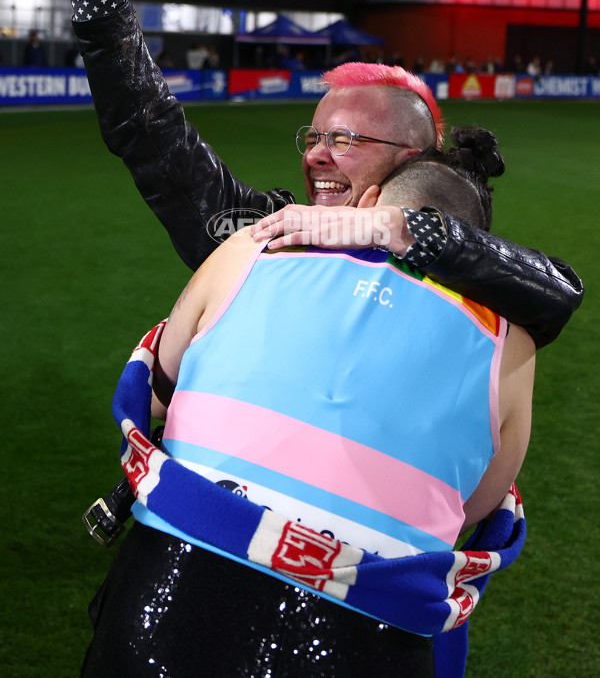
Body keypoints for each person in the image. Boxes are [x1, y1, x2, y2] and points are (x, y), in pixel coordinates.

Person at [45, 0, 582, 350]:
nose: (315, 154)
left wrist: (390, 228)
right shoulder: (269, 237)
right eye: (315, 136)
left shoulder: (458, 270)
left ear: (411, 160)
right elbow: (149, 130)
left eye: (345, 139)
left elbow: (558, 291)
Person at [80, 129, 535, 677]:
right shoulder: (511, 345)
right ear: (476, 251)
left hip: (165, 601)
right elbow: (475, 507)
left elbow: (162, 389)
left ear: (366, 205)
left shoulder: (250, 253)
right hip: (367, 642)